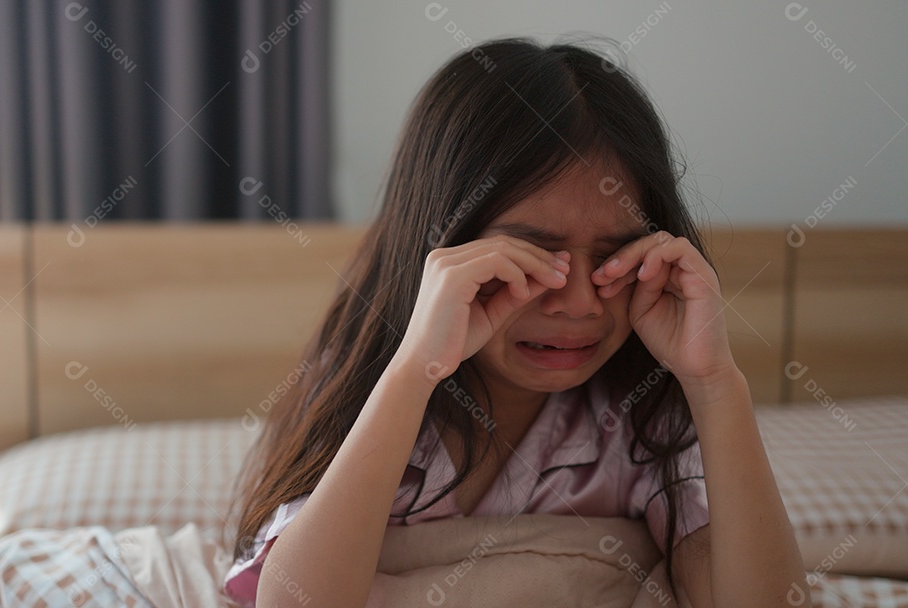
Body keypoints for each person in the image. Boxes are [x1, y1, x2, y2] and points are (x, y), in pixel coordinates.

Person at [226, 37, 809, 607]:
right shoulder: (364, 388)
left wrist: (714, 384)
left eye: (615, 259)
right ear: (442, 252)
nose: (579, 303)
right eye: (530, 260)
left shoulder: (647, 416)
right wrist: (414, 370)